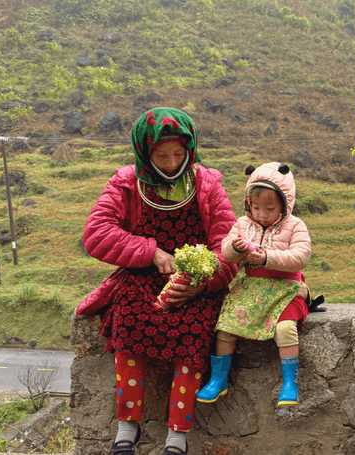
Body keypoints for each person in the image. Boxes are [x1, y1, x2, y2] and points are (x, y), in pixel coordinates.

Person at [78, 107, 239, 455]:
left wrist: (200, 283)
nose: (169, 163)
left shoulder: (208, 186)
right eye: (161, 155)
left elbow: (227, 248)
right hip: (141, 279)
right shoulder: (126, 183)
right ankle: (127, 426)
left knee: (196, 331)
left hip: (195, 285)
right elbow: (96, 234)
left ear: (190, 150)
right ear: (144, 151)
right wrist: (150, 252)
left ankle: (177, 434)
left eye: (178, 154)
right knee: (128, 323)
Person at [196, 162, 311, 408]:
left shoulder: (295, 226)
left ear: (285, 203)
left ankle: (290, 382)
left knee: (285, 329)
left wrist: (268, 258)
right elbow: (226, 250)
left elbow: (301, 256)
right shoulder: (242, 224)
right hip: (253, 287)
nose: (261, 214)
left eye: (269, 208)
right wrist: (235, 249)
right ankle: (219, 378)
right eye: (256, 207)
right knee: (226, 326)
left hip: (286, 289)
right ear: (248, 203)